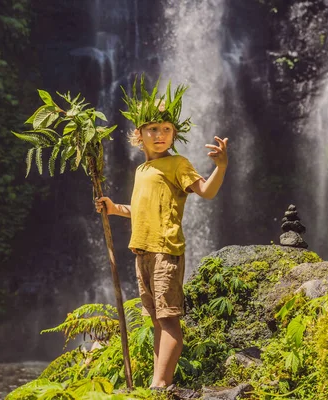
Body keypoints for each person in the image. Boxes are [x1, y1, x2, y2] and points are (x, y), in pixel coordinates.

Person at [94, 77, 229, 389]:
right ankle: (160, 383)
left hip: (166, 251)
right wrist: (115, 209)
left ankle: (159, 385)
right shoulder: (141, 171)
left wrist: (220, 166)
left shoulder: (178, 164)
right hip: (142, 252)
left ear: (174, 134)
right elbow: (143, 209)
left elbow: (206, 192)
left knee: (168, 320)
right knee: (156, 321)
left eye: (166, 129)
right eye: (152, 129)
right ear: (138, 135)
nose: (159, 135)